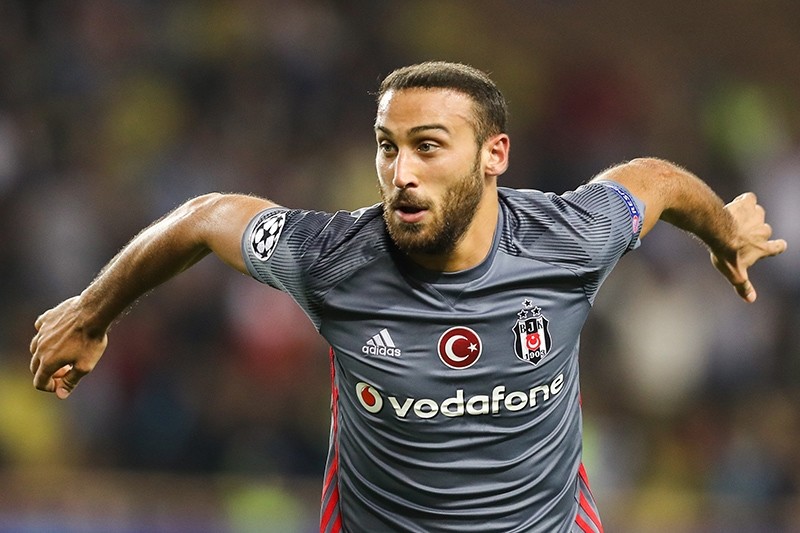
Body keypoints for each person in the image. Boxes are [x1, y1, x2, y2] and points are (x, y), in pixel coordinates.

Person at [29, 62, 786, 532]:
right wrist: (90, 313)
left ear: (494, 156)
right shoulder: (332, 259)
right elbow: (204, 217)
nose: (401, 172)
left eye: (428, 145)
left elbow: (652, 181)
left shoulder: (568, 238)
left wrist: (722, 231)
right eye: (388, 146)